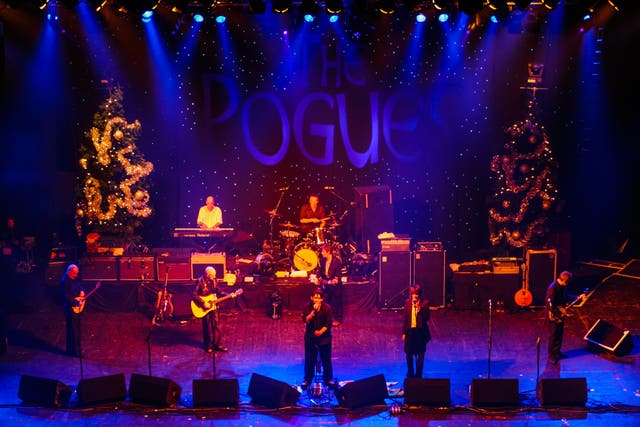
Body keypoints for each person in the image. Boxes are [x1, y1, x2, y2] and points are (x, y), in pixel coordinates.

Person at [301, 287, 335, 390]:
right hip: (311, 337)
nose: (316, 300)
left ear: (322, 299)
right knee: (310, 359)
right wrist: (313, 312)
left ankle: (328, 379)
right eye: (314, 298)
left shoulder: (327, 308)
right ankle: (307, 379)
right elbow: (306, 320)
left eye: (318, 298)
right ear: (311, 298)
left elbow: (328, 323)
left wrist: (320, 332)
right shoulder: (307, 307)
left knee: (326, 359)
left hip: (324, 337)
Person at [192, 266, 228, 353]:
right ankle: (207, 345)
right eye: (212, 275)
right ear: (207, 274)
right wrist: (203, 303)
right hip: (204, 306)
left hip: (213, 306)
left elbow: (218, 291)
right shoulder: (200, 281)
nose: (213, 276)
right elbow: (194, 294)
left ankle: (217, 344)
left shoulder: (214, 280)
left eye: (214, 275)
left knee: (216, 325)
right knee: (207, 326)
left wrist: (229, 295)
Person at [546, 270, 576, 365]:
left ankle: (557, 352)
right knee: (554, 335)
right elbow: (550, 303)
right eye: (567, 283)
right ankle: (551, 356)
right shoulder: (553, 288)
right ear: (564, 281)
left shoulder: (562, 286)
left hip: (560, 314)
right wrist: (556, 313)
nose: (567, 285)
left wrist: (576, 297)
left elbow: (566, 296)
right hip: (554, 315)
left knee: (559, 334)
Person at [402, 285, 431, 378]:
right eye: (413, 294)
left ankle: (419, 374)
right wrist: (404, 332)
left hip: (420, 332)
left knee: (421, 354)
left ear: (419, 295)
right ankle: (410, 371)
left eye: (416, 294)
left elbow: (427, 318)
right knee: (408, 353)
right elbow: (405, 319)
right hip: (410, 332)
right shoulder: (407, 303)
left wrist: (420, 309)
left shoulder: (425, 303)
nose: (415, 296)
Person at [316, 243, 343, 326]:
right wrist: (317, 278)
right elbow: (320, 272)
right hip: (327, 285)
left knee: (336, 302)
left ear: (328, 252)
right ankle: (327, 319)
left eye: (323, 251)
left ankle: (338, 319)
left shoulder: (336, 261)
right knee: (326, 302)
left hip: (335, 286)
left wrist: (332, 281)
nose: (322, 253)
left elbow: (338, 277)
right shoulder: (323, 261)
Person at [60, 264, 84, 357]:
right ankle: (74, 352)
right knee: (72, 330)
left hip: (76, 309)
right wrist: (76, 302)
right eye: (74, 273)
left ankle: (74, 350)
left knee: (76, 329)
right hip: (70, 308)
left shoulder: (74, 278)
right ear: (69, 272)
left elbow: (80, 285)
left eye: (77, 273)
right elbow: (66, 296)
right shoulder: (64, 281)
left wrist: (81, 291)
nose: (76, 275)